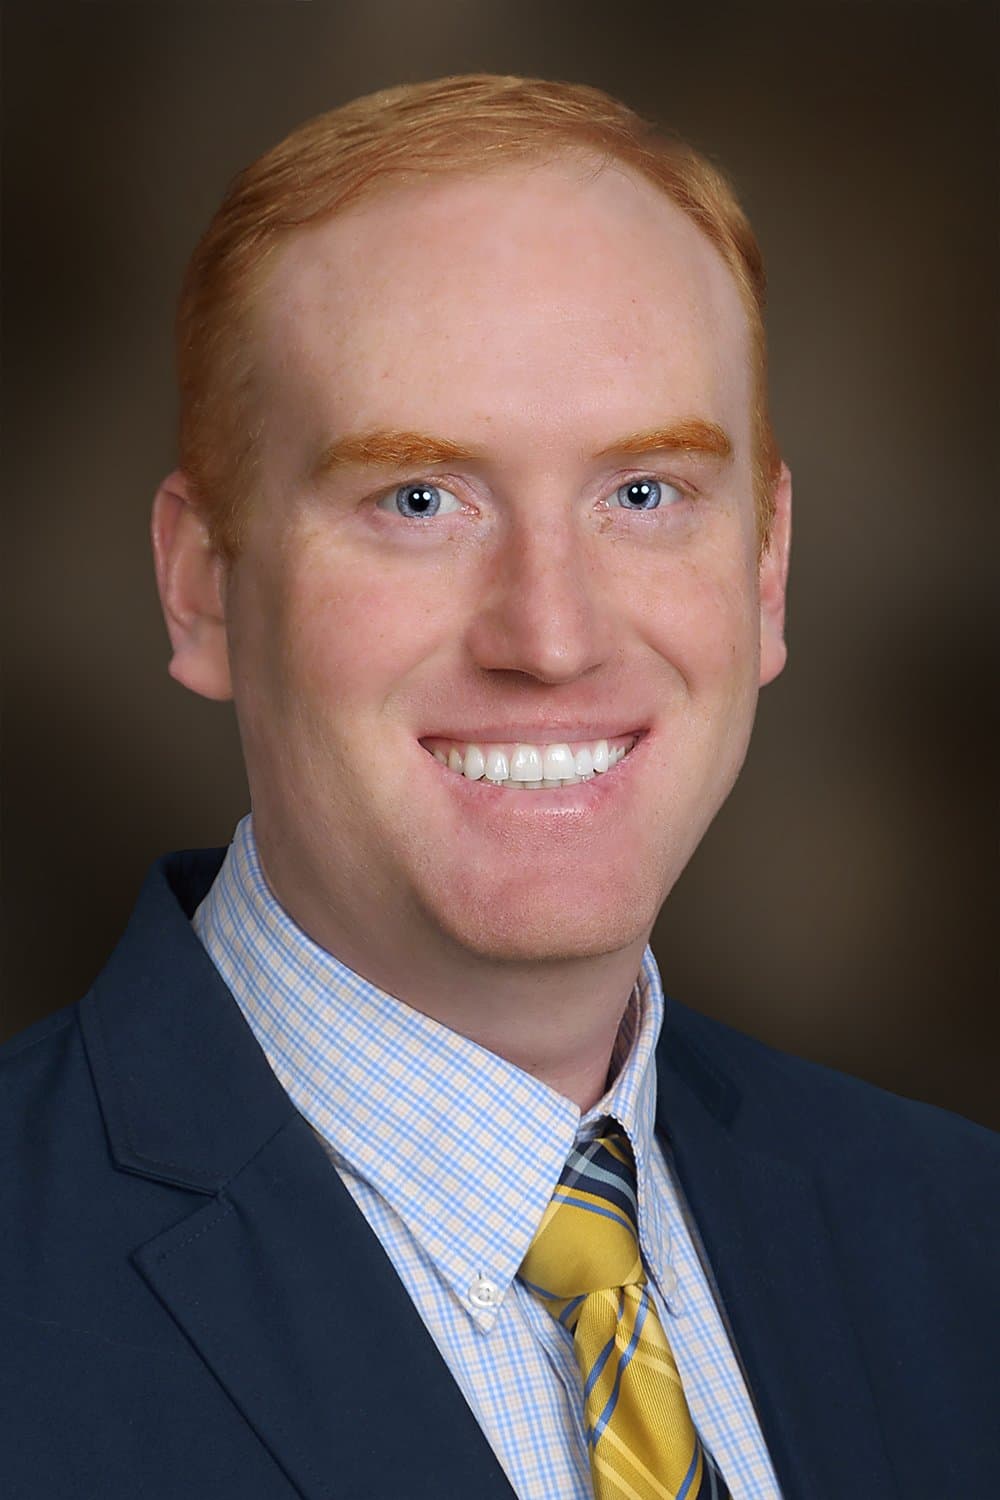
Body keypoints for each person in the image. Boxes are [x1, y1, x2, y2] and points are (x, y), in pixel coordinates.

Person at [1, 73, 996, 1500]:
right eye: (418, 501)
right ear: (202, 585)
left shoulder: (959, 1242)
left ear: (767, 567)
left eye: (644, 493)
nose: (552, 635)